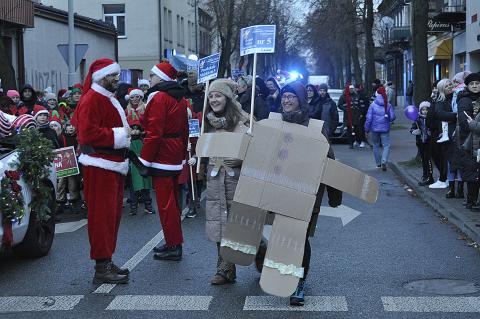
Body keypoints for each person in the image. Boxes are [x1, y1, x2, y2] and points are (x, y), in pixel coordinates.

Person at [278, 80, 342, 306]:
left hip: (307, 193)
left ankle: (299, 283)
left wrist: (335, 195)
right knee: (285, 235)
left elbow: (329, 160)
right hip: (280, 190)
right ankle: (284, 273)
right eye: (284, 96)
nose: (286, 100)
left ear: (300, 100)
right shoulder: (275, 124)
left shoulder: (315, 127)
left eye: (291, 97)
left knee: (300, 237)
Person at [72, 58, 131, 284]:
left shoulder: (106, 98)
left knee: (111, 216)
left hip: (111, 165)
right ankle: (101, 266)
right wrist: (120, 135)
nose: (117, 79)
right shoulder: (92, 100)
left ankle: (106, 260)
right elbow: (87, 134)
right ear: (101, 77)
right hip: (99, 166)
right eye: (113, 75)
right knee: (101, 217)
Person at [203, 78, 251, 285]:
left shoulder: (246, 121)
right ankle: (225, 269)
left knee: (241, 227)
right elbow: (203, 149)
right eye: (211, 96)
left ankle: (260, 252)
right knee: (219, 224)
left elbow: (260, 150)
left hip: (238, 180)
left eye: (218, 95)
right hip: (215, 180)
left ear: (228, 98)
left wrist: (242, 159)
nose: (214, 99)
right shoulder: (207, 123)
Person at [140, 61, 189, 261]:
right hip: (174, 154)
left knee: (166, 204)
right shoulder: (179, 97)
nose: (150, 78)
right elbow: (184, 128)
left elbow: (154, 132)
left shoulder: (159, 97)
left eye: (152, 75)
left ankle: (174, 245)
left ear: (161, 77)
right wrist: (183, 154)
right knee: (173, 203)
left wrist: (145, 159)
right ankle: (173, 241)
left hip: (162, 157)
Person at [124, 88, 155, 216]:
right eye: (132, 97)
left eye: (137, 97)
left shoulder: (146, 109)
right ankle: (133, 206)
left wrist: (142, 133)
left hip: (143, 145)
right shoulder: (126, 111)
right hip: (131, 146)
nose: (135, 99)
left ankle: (148, 205)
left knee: (145, 177)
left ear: (141, 98)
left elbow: (151, 126)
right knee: (133, 180)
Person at [427, 79, 456, 192]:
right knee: (441, 156)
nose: (449, 87)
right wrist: (456, 115)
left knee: (446, 157)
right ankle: (445, 179)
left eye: (450, 84)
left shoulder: (454, 97)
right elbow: (439, 114)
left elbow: (440, 114)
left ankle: (446, 180)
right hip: (441, 132)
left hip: (449, 133)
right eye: (447, 85)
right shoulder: (440, 101)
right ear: (441, 88)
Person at [457, 73, 480, 210]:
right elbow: (464, 123)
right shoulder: (464, 100)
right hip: (469, 142)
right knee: (472, 172)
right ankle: (471, 201)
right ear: (468, 86)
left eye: (477, 83)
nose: (475, 86)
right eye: (472, 84)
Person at [364, 86, 396, 171]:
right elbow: (392, 117)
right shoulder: (388, 105)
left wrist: (366, 129)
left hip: (374, 129)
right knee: (386, 145)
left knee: (375, 145)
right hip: (385, 129)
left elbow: (368, 118)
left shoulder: (372, 105)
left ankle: (378, 163)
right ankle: (384, 160)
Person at [56, 121, 82, 215]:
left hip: (73, 163)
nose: (71, 127)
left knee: (73, 183)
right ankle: (59, 203)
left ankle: (73, 202)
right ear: (65, 127)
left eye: (73, 125)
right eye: (69, 126)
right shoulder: (61, 137)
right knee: (61, 183)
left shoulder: (78, 137)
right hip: (62, 162)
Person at [412, 101, 434, 186]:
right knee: (423, 159)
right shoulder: (417, 119)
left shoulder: (431, 118)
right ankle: (425, 175)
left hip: (429, 142)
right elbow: (412, 128)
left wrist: (431, 132)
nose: (425, 111)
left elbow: (434, 128)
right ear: (420, 110)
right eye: (423, 109)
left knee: (428, 159)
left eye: (426, 109)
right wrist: (414, 131)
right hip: (420, 142)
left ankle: (430, 176)